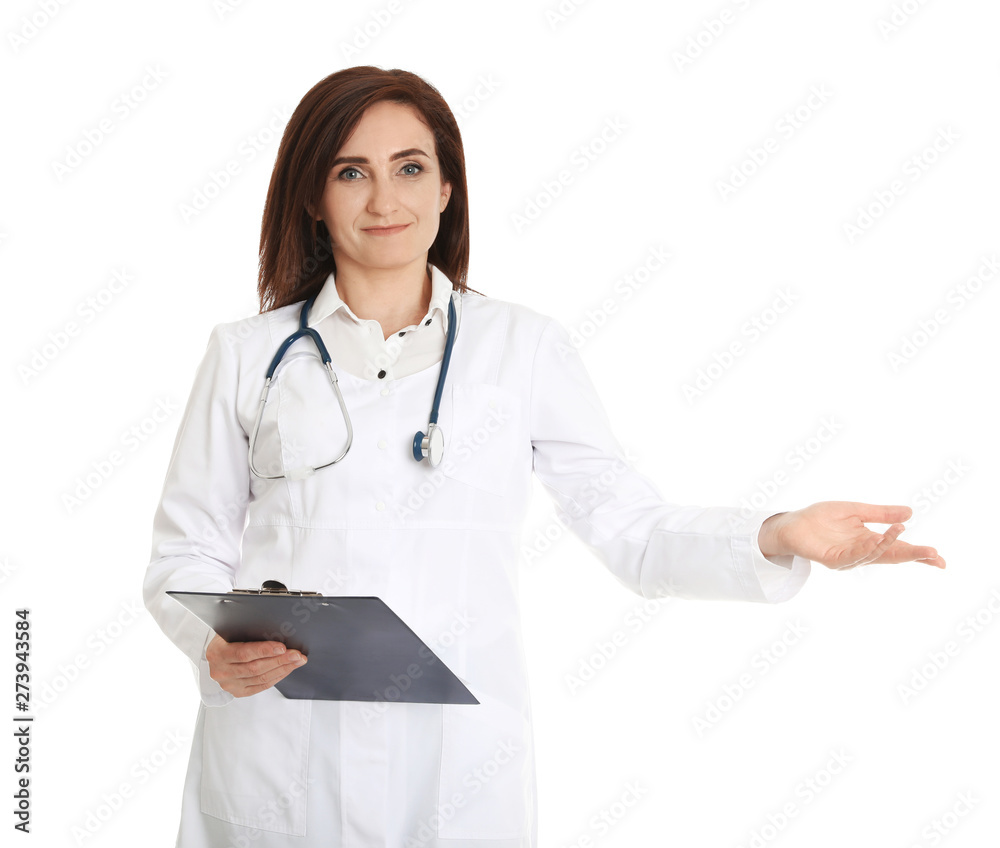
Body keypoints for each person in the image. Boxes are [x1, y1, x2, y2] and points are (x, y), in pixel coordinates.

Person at [142, 65, 945, 848]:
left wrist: (775, 534)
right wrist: (214, 647)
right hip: (280, 752)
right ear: (313, 198)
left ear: (447, 188)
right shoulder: (246, 355)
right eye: (351, 172)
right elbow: (184, 553)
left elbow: (631, 529)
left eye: (410, 168)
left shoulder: (523, 350)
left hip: (454, 768)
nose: (385, 199)